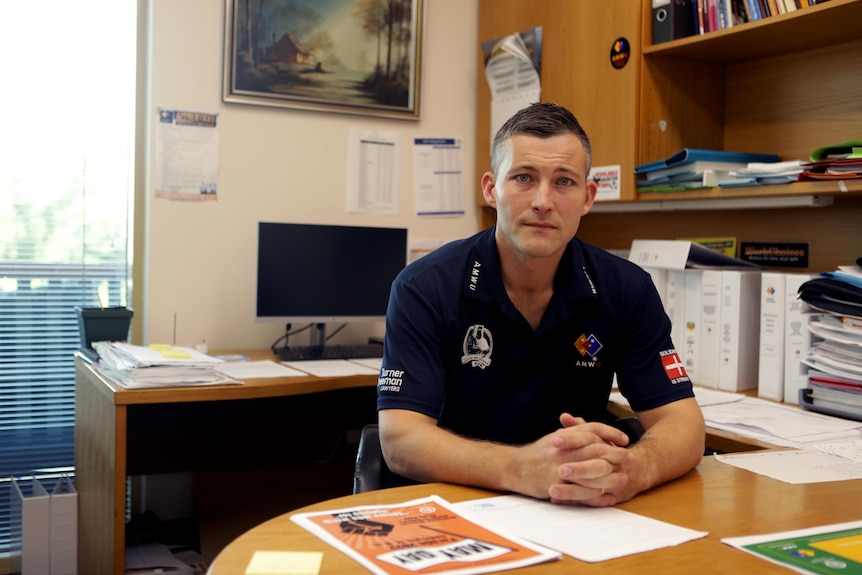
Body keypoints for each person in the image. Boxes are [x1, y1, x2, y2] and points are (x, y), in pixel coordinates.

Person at [377, 102, 704, 506]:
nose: (542, 201)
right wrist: (521, 469)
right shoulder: (424, 286)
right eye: (524, 178)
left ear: (588, 197)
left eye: (564, 182)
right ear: (491, 189)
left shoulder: (626, 288)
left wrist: (636, 469)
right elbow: (400, 440)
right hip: (459, 500)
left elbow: (683, 423)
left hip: (578, 505)